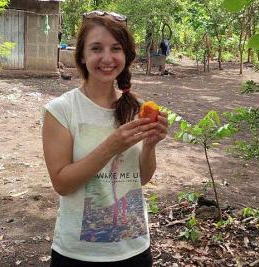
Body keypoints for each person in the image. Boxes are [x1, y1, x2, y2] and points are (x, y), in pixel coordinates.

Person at [42, 10, 168, 267]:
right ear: (82, 56)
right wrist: (112, 146)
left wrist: (150, 146)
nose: (107, 58)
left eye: (116, 48)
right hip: (78, 254)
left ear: (126, 55)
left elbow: (140, 178)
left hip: (134, 248)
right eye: (96, 48)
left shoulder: (136, 108)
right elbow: (62, 184)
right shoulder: (61, 110)